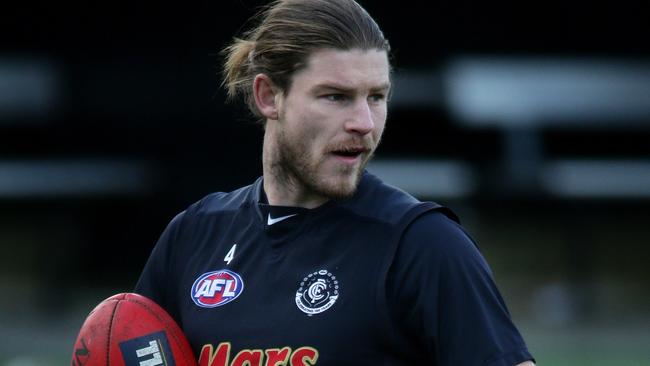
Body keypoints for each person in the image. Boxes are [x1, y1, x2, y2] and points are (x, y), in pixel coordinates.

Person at [135, 0, 536, 365]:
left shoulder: (422, 244)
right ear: (268, 97)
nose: (363, 123)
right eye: (335, 97)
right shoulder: (194, 234)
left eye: (376, 97)